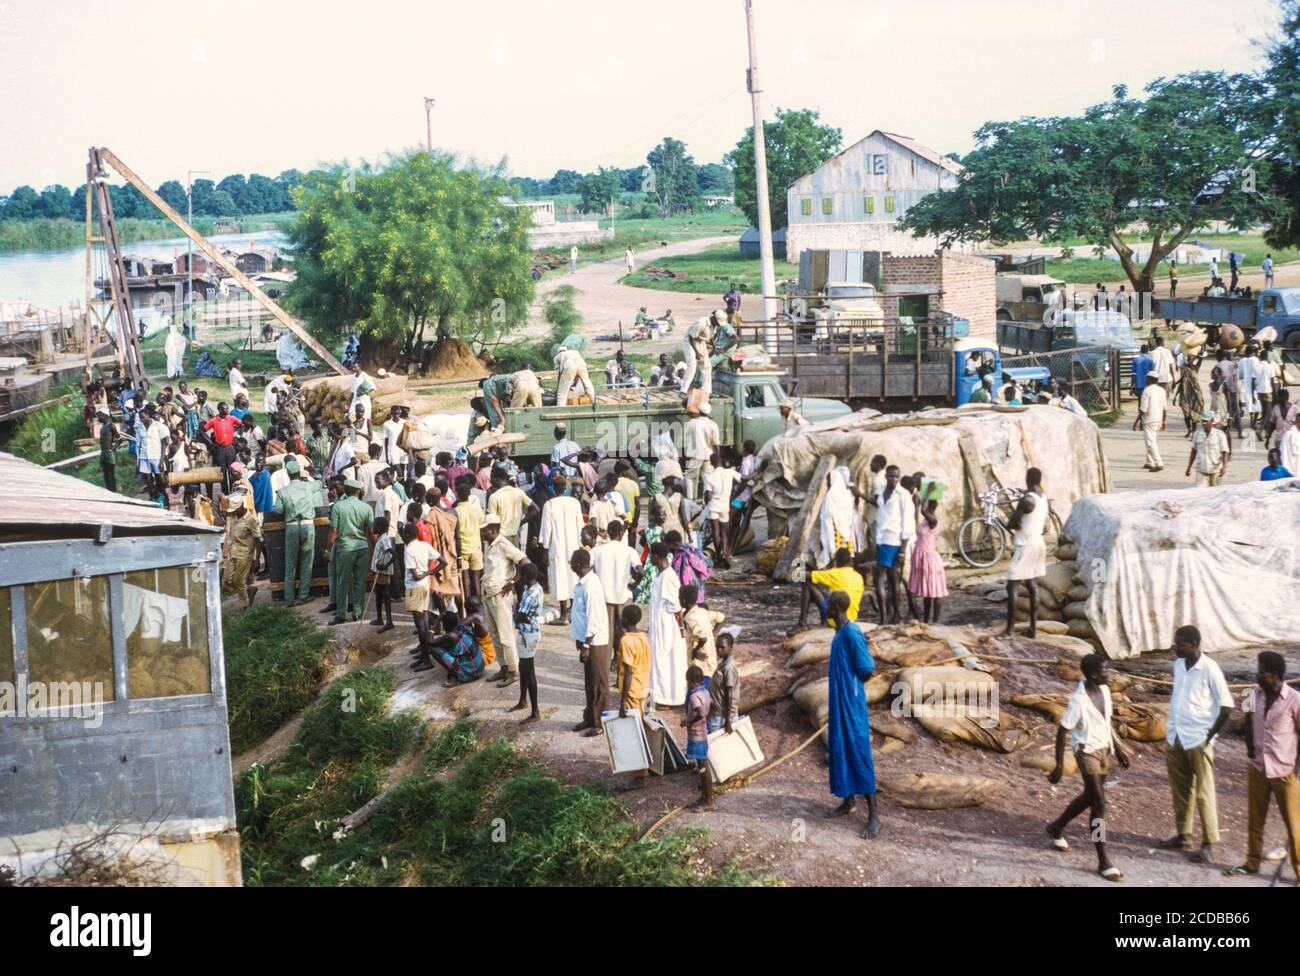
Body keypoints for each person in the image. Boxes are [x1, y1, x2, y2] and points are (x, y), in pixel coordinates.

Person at [1046, 653, 1132, 882]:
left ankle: (1056, 827)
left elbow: (1107, 721)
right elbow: (1063, 730)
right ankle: (1104, 861)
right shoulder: (1080, 700)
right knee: (1099, 803)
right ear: (1094, 675)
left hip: (1104, 750)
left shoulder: (1103, 690)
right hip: (1086, 753)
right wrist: (1059, 764)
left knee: (1090, 797)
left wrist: (1119, 748)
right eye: (1106, 671)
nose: (1109, 674)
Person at [1158, 625, 1233, 863]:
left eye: (1179, 643)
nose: (1174, 647)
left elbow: (1227, 705)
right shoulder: (1179, 666)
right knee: (1181, 789)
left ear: (1193, 644)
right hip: (1177, 734)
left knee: (1203, 792)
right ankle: (1183, 835)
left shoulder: (1209, 668)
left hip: (1199, 737)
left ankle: (1209, 842)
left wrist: (1210, 735)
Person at [1224, 651, 1300, 880]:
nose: (1255, 675)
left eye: (1260, 671)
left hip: (1285, 771)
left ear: (1274, 675)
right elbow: (1246, 720)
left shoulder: (1295, 700)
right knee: (1255, 821)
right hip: (1257, 768)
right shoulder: (1250, 694)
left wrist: (1297, 770)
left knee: (1294, 826)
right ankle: (1252, 862)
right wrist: (1250, 749)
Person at [822, 590, 880, 839]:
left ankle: (874, 815)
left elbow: (867, 668)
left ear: (836, 607)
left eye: (828, 605)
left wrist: (851, 685)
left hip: (851, 701)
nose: (825, 608)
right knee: (840, 747)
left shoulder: (852, 633)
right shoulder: (839, 632)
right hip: (839, 700)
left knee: (857, 751)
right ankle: (848, 801)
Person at [480, 513, 530, 689]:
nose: (482, 534)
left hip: (500, 596)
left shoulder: (503, 545)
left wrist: (512, 583)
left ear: (492, 530)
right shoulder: (489, 545)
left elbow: (525, 561)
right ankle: (503, 667)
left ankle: (513, 670)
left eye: (484, 531)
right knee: (494, 634)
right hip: (488, 593)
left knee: (506, 635)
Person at [569, 548, 609, 738]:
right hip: (585, 640)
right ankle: (590, 717)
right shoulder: (582, 584)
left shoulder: (591, 585)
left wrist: (586, 645)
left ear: (578, 565)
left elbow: (593, 618)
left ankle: (600, 722)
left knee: (599, 683)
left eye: (572, 561)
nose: (570, 564)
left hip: (595, 642)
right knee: (589, 682)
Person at [274, 459, 322, 607]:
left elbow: (278, 510)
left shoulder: (283, 491)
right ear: (299, 473)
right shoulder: (308, 487)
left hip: (291, 527)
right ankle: (303, 595)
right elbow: (320, 483)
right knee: (307, 561)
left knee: (290, 563)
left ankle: (289, 599)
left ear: (288, 474)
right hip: (308, 526)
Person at [327, 478, 374, 624]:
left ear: (345, 490)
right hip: (362, 547)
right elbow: (371, 531)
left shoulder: (338, 507)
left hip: (345, 548)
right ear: (358, 491)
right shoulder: (366, 508)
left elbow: (334, 531)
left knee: (343, 581)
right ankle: (358, 613)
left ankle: (341, 615)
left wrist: (328, 550)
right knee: (360, 581)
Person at [615, 604, 652, 791]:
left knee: (634, 733)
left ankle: (640, 775)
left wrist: (622, 700)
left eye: (622, 617)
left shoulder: (626, 641)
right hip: (644, 688)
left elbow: (628, 670)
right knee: (641, 729)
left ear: (627, 620)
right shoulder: (644, 637)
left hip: (632, 691)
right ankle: (645, 768)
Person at [647, 541, 687, 708]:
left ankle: (667, 698)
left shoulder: (668, 577)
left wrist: (681, 627)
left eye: (651, 555)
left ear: (656, 556)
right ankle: (660, 696)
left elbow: (676, 607)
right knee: (659, 661)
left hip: (666, 625)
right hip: (659, 623)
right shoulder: (661, 575)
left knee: (665, 661)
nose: (649, 557)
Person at [539, 474, 584, 624]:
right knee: (573, 577)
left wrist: (544, 549)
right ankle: (573, 613)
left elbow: (546, 530)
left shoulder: (549, 504)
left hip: (556, 547)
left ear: (554, 487)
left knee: (560, 578)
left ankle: (564, 615)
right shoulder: (575, 503)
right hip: (574, 547)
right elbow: (580, 527)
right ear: (565, 488)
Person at [872, 465, 913, 624]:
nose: (894, 479)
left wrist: (903, 550)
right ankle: (890, 615)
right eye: (891, 476)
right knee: (888, 579)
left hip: (894, 540)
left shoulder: (903, 495)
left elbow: (908, 522)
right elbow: (881, 517)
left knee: (887, 579)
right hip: (882, 540)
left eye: (897, 477)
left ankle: (889, 616)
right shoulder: (882, 492)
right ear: (886, 476)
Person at [593, 518, 637, 652]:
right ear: (620, 534)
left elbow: (585, 565)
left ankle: (607, 659)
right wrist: (634, 585)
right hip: (623, 594)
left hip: (604, 596)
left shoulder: (598, 550)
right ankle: (620, 658)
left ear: (609, 532)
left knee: (607, 631)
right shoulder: (629, 551)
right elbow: (640, 570)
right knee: (622, 630)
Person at [800, 547, 863, 627]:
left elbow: (805, 576)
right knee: (825, 593)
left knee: (807, 583)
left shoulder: (834, 573)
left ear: (837, 561)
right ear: (850, 561)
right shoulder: (859, 577)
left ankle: (802, 622)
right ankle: (821, 621)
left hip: (836, 620)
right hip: (852, 618)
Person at [908, 498, 947, 623]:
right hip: (922, 558)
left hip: (930, 559)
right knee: (927, 592)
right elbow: (919, 513)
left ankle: (935, 621)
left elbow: (923, 510)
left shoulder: (933, 520)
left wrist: (927, 493)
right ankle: (926, 620)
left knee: (936, 591)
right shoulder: (925, 521)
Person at [681, 665, 714, 811]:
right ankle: (705, 797)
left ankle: (708, 801)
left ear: (692, 682)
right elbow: (712, 707)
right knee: (703, 766)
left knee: (702, 767)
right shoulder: (705, 692)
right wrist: (706, 720)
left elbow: (700, 714)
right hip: (703, 734)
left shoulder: (694, 696)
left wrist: (687, 722)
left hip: (696, 735)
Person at [221, 493, 261, 608]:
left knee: (239, 581)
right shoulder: (232, 517)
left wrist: (257, 559)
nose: (233, 511)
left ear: (241, 506)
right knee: (226, 582)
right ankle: (248, 590)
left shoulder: (251, 520)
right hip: (233, 552)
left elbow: (258, 540)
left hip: (245, 554)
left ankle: (246, 604)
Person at [821, 466, 866, 565]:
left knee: (834, 553)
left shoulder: (831, 495)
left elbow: (827, 515)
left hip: (834, 530)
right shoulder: (845, 494)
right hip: (845, 531)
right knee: (846, 555)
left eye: (828, 480)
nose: (827, 483)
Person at [702, 452, 739, 567]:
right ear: (721, 461)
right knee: (725, 532)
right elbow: (743, 479)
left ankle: (718, 556)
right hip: (725, 506)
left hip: (714, 506)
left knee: (715, 533)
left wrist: (706, 499)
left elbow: (707, 496)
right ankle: (726, 554)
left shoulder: (710, 476)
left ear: (712, 463)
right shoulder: (730, 472)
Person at [682, 583, 724, 678]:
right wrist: (713, 633)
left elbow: (703, 638)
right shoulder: (702, 612)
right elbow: (721, 618)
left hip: (700, 663)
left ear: (683, 601)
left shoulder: (691, 618)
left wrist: (695, 650)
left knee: (700, 684)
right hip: (709, 658)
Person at [679, 309, 726, 395]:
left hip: (700, 342)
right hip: (690, 342)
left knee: (707, 366)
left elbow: (711, 336)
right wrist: (696, 353)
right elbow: (691, 337)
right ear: (714, 319)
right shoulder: (701, 323)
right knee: (692, 365)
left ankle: (706, 391)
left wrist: (714, 348)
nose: (718, 325)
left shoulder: (714, 325)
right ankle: (683, 390)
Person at [682, 404, 720, 500]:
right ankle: (706, 499)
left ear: (699, 411)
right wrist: (718, 457)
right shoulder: (713, 424)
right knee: (707, 478)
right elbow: (716, 443)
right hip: (709, 456)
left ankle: (690, 500)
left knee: (690, 478)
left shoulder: (692, 423)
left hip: (695, 455)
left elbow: (683, 438)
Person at [1186, 411, 1231, 486]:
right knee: (1201, 494)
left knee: (1215, 494)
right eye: (1203, 421)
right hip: (1201, 470)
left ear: (1212, 421)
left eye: (1206, 421)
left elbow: (1225, 452)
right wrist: (1189, 467)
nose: (1204, 423)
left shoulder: (1219, 435)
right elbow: (1194, 451)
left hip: (1216, 471)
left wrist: (1224, 467)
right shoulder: (1197, 434)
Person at [369, 516, 397, 631]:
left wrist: (384, 566)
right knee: (379, 594)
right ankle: (380, 618)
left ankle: (389, 621)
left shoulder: (385, 539)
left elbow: (394, 555)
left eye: (374, 526)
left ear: (380, 528)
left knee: (385, 595)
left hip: (383, 572)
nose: (373, 528)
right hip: (378, 571)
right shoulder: (381, 538)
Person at [710, 631, 739, 734]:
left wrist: (728, 720)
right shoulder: (723, 663)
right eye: (717, 647)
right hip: (718, 713)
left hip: (722, 717)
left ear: (730, 647)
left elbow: (729, 693)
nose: (718, 650)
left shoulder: (728, 667)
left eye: (722, 647)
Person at [1140, 374, 1168, 472]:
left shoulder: (1147, 391)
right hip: (1158, 419)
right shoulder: (1161, 390)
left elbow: (1143, 409)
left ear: (1149, 379)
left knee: (1150, 442)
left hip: (1149, 419)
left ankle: (1159, 463)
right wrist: (1164, 421)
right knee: (1150, 440)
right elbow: (1165, 408)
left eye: (1147, 379)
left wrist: (1137, 421)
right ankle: (1150, 462)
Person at [97, 411, 121, 493]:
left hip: (109, 452)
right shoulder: (103, 427)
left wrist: (112, 449)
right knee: (105, 474)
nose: (98, 417)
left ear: (105, 415)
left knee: (110, 474)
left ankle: (113, 492)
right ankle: (108, 491)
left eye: (100, 415)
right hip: (103, 452)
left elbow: (119, 440)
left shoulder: (111, 426)